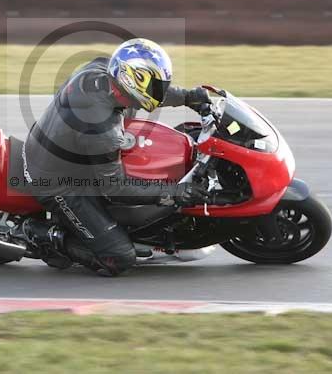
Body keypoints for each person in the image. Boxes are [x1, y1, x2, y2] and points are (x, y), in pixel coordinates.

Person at [21, 38, 211, 276]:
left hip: (57, 148)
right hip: (57, 182)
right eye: (156, 85)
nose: (159, 91)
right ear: (132, 79)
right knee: (119, 258)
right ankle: (42, 235)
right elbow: (115, 188)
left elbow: (151, 93)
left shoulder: (103, 69)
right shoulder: (102, 128)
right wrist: (175, 192)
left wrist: (188, 96)